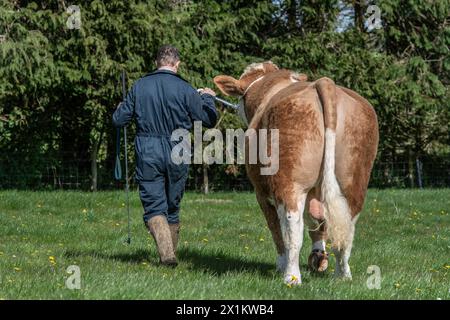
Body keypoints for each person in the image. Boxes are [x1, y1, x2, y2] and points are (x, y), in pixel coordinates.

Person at [113, 45, 217, 266]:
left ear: (156, 62)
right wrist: (208, 98)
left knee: (153, 205)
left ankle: (167, 255)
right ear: (177, 64)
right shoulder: (186, 89)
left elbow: (118, 120)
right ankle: (169, 254)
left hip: (148, 150)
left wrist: (122, 106)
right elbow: (208, 120)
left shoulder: (140, 86)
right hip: (178, 149)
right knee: (172, 205)